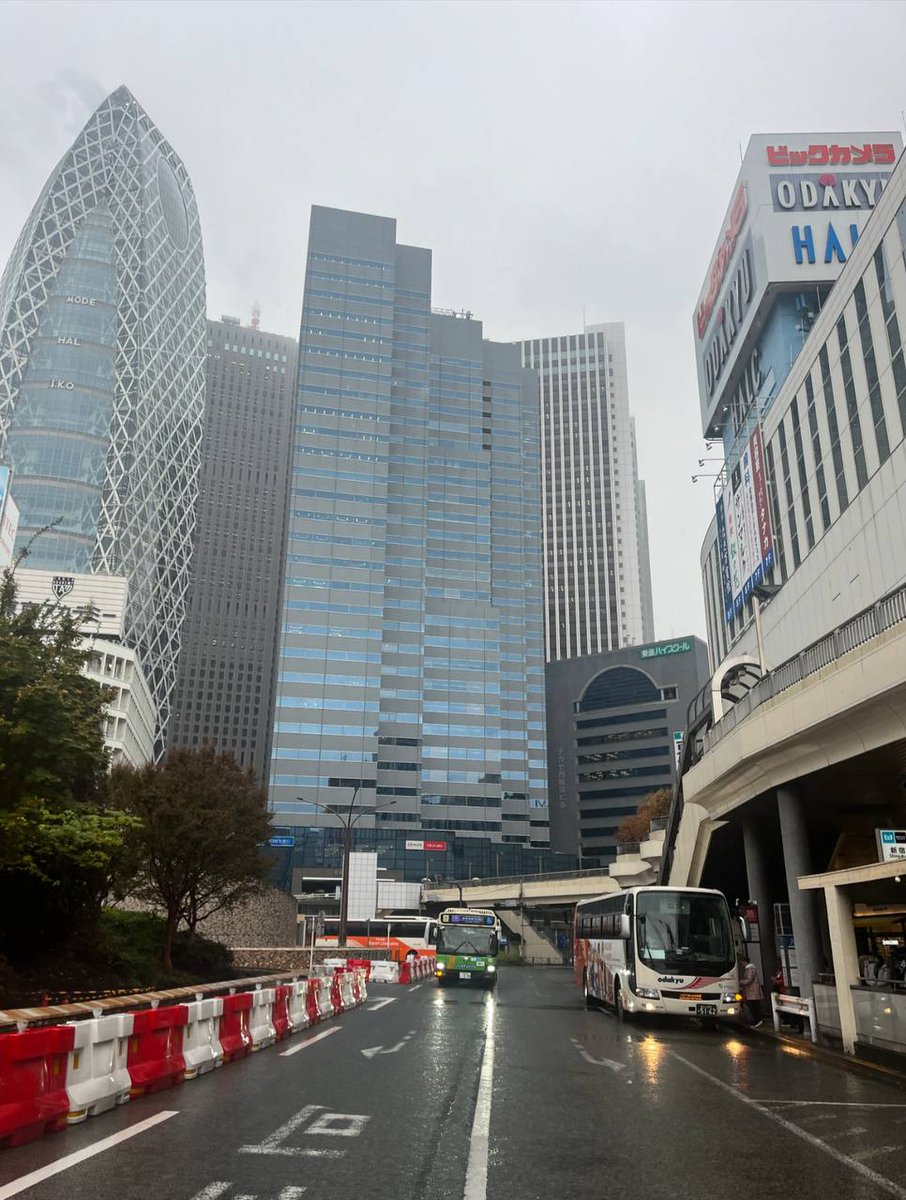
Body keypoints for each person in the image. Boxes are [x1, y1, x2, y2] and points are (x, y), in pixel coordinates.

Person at [741, 955, 764, 1027]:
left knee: (754, 1006)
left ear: (745, 962)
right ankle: (757, 1020)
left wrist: (741, 982)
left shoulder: (750, 969)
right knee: (754, 1006)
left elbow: (749, 979)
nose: (742, 964)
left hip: (752, 991)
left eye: (742, 962)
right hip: (752, 991)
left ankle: (757, 1020)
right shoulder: (751, 968)